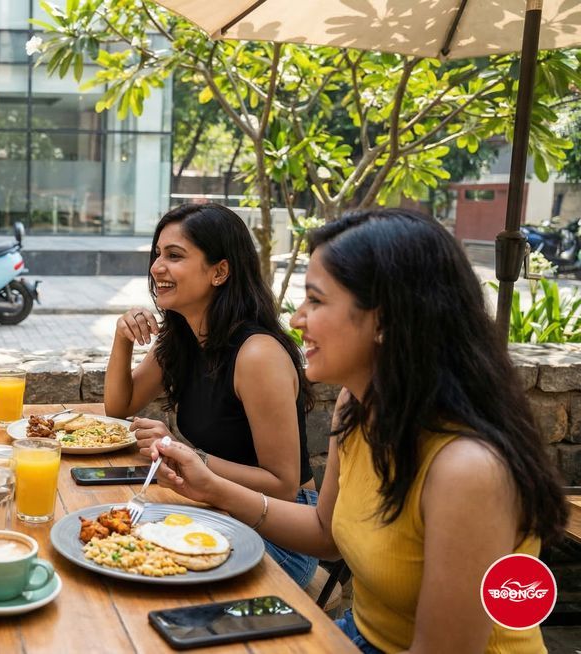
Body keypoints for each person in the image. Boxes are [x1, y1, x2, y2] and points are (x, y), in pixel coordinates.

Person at [153, 209, 569, 652]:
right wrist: (212, 487)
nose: (297, 320)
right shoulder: (359, 406)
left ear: (386, 320)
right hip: (361, 634)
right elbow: (324, 534)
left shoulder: (468, 470)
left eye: (316, 300)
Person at [103, 203, 319, 587]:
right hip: (216, 510)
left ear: (220, 271)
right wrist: (122, 338)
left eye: (175, 256)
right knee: (112, 543)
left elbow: (284, 484)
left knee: (131, 567)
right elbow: (120, 406)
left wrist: (188, 455)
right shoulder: (183, 337)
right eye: (157, 255)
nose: (157, 267)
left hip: (282, 528)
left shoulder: (257, 355)